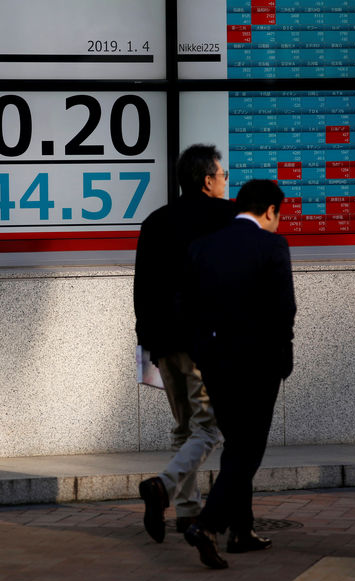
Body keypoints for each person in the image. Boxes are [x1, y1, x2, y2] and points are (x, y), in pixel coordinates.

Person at [182, 179, 296, 569]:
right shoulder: (272, 246)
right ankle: (208, 524)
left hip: (215, 361)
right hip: (259, 364)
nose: (278, 223)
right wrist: (285, 357)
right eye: (278, 215)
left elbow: (188, 307)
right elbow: (285, 310)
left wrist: (201, 351)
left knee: (236, 444)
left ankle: (242, 531)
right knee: (249, 450)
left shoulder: (203, 246)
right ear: (269, 211)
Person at [134, 144, 235, 543]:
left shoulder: (155, 221)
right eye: (224, 175)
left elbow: (141, 288)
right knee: (209, 428)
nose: (227, 181)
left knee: (183, 427)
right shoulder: (228, 219)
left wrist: (147, 345)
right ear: (208, 180)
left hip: (163, 344)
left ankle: (188, 511)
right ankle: (163, 485)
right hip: (203, 342)